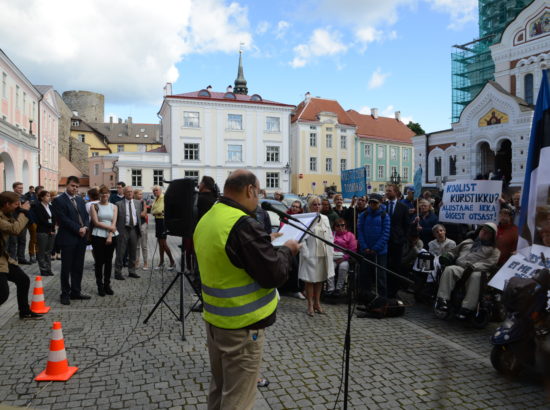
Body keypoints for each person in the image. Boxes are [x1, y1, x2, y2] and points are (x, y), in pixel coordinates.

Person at [193, 169, 299, 410]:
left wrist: (265, 243)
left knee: (219, 390)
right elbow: (273, 274)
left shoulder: (210, 217)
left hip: (215, 321)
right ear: (250, 189)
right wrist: (287, 250)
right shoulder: (242, 224)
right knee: (238, 399)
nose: (259, 198)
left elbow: (230, 255)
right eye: (258, 191)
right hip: (242, 326)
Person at [435, 223, 500, 320]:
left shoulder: (494, 250)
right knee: (450, 269)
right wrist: (449, 256)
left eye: (487, 232)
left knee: (476, 276)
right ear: (479, 231)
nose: (484, 233)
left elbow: (490, 262)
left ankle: (467, 307)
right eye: (483, 230)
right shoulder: (468, 242)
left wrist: (475, 266)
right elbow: (454, 251)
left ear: (492, 236)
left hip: (477, 271)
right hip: (461, 268)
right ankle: (442, 299)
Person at [0, 192, 43, 319]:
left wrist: (19, 211)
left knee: (23, 280)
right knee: (2, 294)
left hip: (3, 258)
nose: (17, 206)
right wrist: (23, 212)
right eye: (15, 204)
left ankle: (24, 311)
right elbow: (15, 229)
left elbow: (15, 223)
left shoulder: (6, 214)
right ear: (7, 204)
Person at [51, 176, 91, 305]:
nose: (75, 188)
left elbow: (85, 216)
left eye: (77, 187)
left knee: (78, 267)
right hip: (68, 238)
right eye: (73, 186)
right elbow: (62, 219)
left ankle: (76, 292)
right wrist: (78, 228)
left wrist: (85, 227)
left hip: (81, 238)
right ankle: (65, 293)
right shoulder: (59, 200)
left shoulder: (80, 200)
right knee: (66, 268)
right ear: (66, 185)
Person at [298, 196, 334, 316]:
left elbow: (329, 236)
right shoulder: (306, 219)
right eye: (314, 204)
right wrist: (306, 253)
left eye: (319, 204)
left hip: (323, 253)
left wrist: (331, 251)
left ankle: (317, 303)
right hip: (310, 253)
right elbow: (301, 238)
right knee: (310, 280)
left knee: (320, 279)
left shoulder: (325, 218)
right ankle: (309, 305)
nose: (317, 206)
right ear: (309, 206)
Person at [357, 193, 390, 301]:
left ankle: (382, 299)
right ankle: (365, 298)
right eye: (371, 202)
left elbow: (385, 234)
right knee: (365, 276)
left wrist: (376, 248)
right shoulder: (363, 215)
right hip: (366, 250)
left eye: (375, 202)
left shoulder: (385, 215)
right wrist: (365, 246)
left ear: (380, 203)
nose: (372, 204)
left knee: (380, 276)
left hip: (380, 252)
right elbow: (360, 232)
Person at [90, 186, 118, 296]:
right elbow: (96, 222)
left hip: (111, 235)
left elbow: (114, 223)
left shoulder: (114, 206)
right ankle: (99, 285)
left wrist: (110, 235)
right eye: (102, 195)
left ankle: (107, 284)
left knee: (109, 261)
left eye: (106, 195)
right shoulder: (94, 206)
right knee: (99, 261)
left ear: (109, 195)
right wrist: (110, 228)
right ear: (99, 195)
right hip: (98, 235)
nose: (104, 197)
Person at [385, 184, 410, 298]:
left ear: (395, 192)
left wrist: (403, 238)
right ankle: (384, 289)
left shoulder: (403, 207)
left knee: (396, 267)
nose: (387, 193)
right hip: (384, 241)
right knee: (385, 266)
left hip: (397, 242)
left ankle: (394, 291)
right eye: (386, 191)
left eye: (389, 191)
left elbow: (406, 225)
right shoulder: (383, 206)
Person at [114, 186, 142, 280]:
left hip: (134, 229)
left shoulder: (138, 203)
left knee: (133, 252)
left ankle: (132, 271)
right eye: (128, 192)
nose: (130, 193)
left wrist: (140, 229)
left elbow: (138, 217)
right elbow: (115, 219)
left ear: (133, 193)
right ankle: (118, 272)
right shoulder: (118, 204)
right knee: (120, 252)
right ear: (124, 193)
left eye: (131, 192)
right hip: (123, 229)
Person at [326, 218, 357, 296]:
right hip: (333, 256)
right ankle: (330, 288)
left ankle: (339, 288)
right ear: (334, 227)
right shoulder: (331, 234)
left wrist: (344, 258)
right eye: (338, 225)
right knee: (330, 267)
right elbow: (327, 246)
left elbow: (352, 249)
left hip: (345, 257)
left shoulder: (350, 235)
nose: (340, 227)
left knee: (343, 267)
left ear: (345, 226)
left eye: (342, 225)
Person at [32, 190, 56, 277]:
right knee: (41, 251)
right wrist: (51, 225)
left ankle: (48, 269)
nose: (49, 197)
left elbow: (54, 218)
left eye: (49, 196)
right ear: (42, 197)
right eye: (47, 196)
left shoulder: (50, 206)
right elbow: (41, 220)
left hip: (51, 231)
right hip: (42, 231)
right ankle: (43, 269)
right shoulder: (38, 207)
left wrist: (53, 228)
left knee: (48, 251)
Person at [151, 186, 176, 269]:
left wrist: (156, 212)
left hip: (163, 222)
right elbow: (152, 211)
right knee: (160, 243)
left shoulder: (163, 198)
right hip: (157, 221)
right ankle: (161, 262)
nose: (155, 192)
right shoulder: (156, 199)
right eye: (153, 190)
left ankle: (172, 261)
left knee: (163, 243)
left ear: (160, 190)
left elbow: (160, 210)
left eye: (156, 190)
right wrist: (155, 212)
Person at [8, 182, 30, 264]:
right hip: (13, 221)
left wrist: (23, 208)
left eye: (22, 188)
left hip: (23, 222)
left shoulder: (24, 197)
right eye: (19, 188)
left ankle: (21, 258)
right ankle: (13, 259)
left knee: (22, 240)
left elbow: (27, 207)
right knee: (13, 242)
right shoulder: (11, 197)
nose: (21, 189)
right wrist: (21, 208)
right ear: (14, 188)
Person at [134, 189, 148, 270]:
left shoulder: (143, 202)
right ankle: (137, 261)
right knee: (136, 246)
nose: (141, 196)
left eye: (141, 194)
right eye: (139, 194)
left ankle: (145, 262)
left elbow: (144, 214)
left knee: (144, 245)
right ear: (135, 194)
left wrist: (135, 214)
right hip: (135, 225)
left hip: (142, 225)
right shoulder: (132, 202)